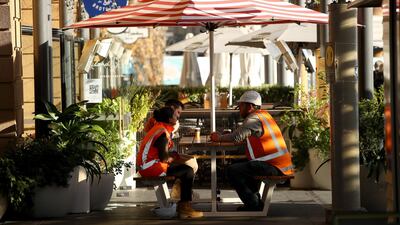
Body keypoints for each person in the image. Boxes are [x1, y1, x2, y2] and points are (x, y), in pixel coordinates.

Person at [210, 90, 294, 211]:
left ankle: (253, 204)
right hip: (278, 165)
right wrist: (230, 135)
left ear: (249, 106)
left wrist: (219, 138)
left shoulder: (254, 118)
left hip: (274, 167)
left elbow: (236, 137)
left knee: (234, 170)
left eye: (241, 106)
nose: (239, 109)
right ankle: (254, 201)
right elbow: (244, 134)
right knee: (241, 167)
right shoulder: (263, 115)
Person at [136, 107, 203, 219]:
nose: (177, 116)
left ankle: (181, 200)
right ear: (169, 119)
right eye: (175, 115)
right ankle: (184, 208)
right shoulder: (162, 133)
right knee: (188, 171)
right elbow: (164, 158)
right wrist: (175, 157)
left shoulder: (159, 128)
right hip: (152, 167)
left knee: (184, 169)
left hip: (147, 166)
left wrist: (175, 157)